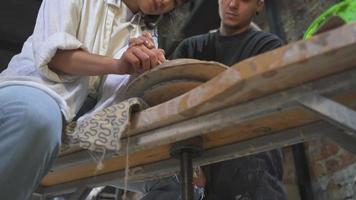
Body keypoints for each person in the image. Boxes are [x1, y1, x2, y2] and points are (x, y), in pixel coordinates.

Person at [0, 0, 190, 199]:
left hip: (91, 121)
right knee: (39, 118)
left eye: (175, 2)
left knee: (176, 179)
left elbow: (117, 96)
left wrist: (147, 69)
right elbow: (56, 56)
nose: (165, 2)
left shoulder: (145, 35)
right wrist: (120, 65)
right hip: (37, 89)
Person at [170, 0, 287, 199]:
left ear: (259, 5)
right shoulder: (190, 48)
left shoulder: (267, 46)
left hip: (251, 161)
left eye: (244, 0)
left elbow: (264, 110)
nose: (232, 4)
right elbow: (172, 111)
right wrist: (196, 169)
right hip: (196, 162)